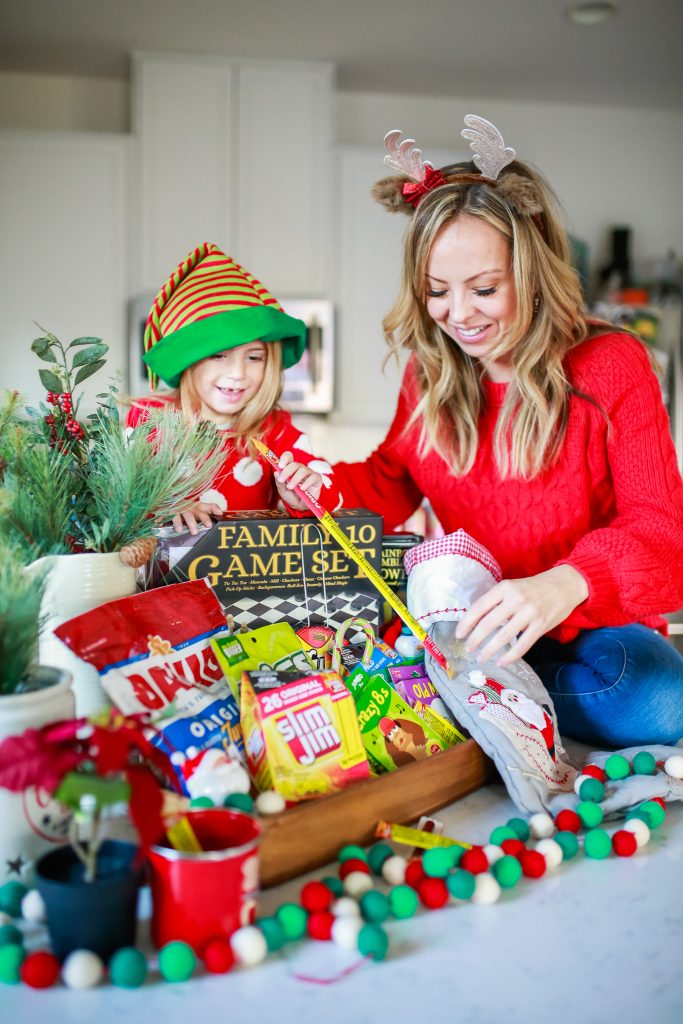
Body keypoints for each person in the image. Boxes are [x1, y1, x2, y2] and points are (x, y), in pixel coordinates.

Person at [329, 115, 683, 748]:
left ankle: (471, 699)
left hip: (582, 629)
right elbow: (385, 486)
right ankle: (484, 695)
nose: (457, 315)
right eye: (437, 291)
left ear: (533, 271)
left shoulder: (611, 365)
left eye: (484, 288)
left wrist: (562, 585)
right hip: (468, 623)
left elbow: (662, 533)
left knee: (655, 698)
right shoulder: (429, 372)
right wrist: (292, 471)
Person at [127, 242, 340, 532]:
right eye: (219, 355)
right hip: (162, 578)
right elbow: (118, 498)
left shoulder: (275, 429)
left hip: (246, 577)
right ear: (187, 362)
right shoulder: (148, 417)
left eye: (254, 357)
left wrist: (304, 494)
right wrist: (168, 504)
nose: (238, 373)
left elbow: (329, 492)